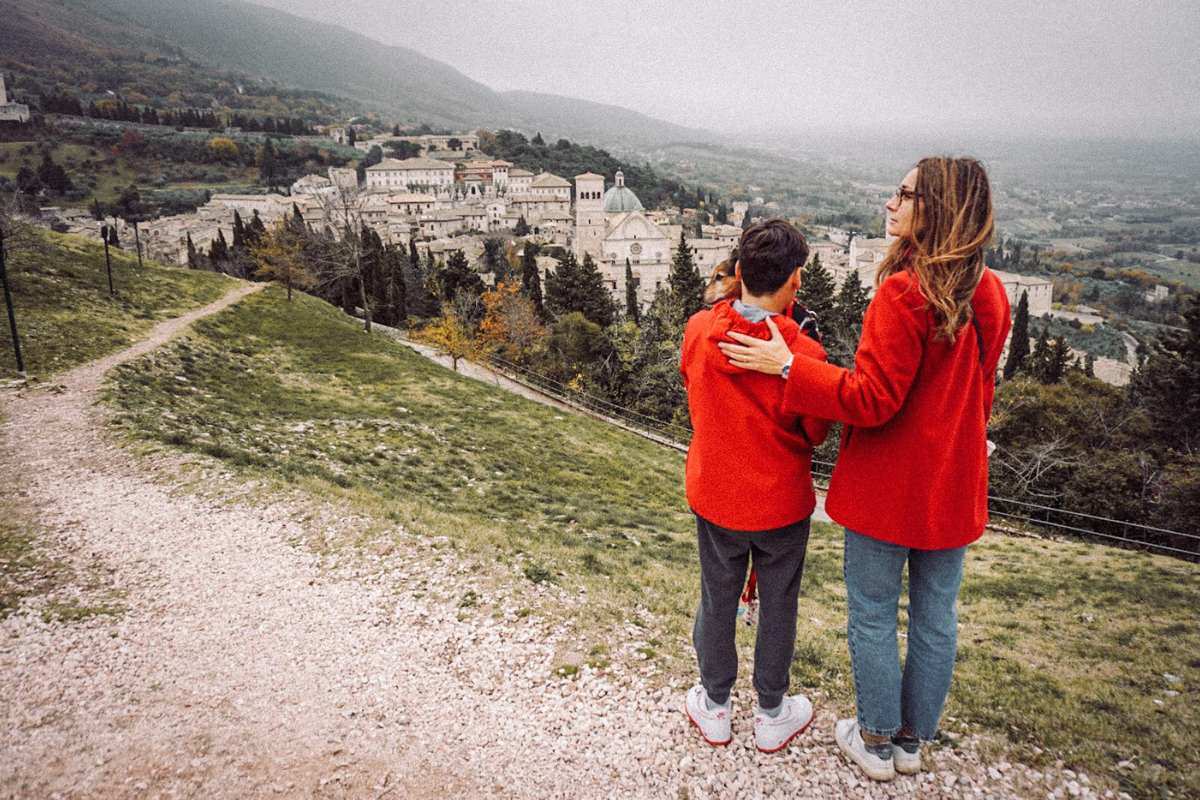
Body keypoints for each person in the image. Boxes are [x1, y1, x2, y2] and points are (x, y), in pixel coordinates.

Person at [718, 157, 1012, 781]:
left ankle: (875, 738)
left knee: (875, 613)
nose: (890, 203)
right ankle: (912, 741)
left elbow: (871, 399)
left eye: (905, 195)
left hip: (889, 485)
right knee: (936, 616)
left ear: (937, 208)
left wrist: (789, 368)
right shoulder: (989, 292)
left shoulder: (905, 292)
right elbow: (980, 390)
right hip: (953, 484)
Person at [681, 219, 831, 753]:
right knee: (779, 603)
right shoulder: (804, 356)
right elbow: (817, 428)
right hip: (781, 504)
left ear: (739, 272)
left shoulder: (700, 330)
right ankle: (772, 711)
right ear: (795, 281)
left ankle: (715, 704)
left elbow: (690, 379)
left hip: (717, 495)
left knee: (717, 598)